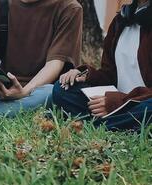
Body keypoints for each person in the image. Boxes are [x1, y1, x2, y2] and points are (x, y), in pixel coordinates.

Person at [53, 0, 152, 131]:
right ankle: (119, 125)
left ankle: (95, 126)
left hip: (140, 103)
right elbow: (109, 74)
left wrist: (119, 101)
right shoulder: (120, 21)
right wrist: (85, 75)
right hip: (115, 103)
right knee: (63, 89)